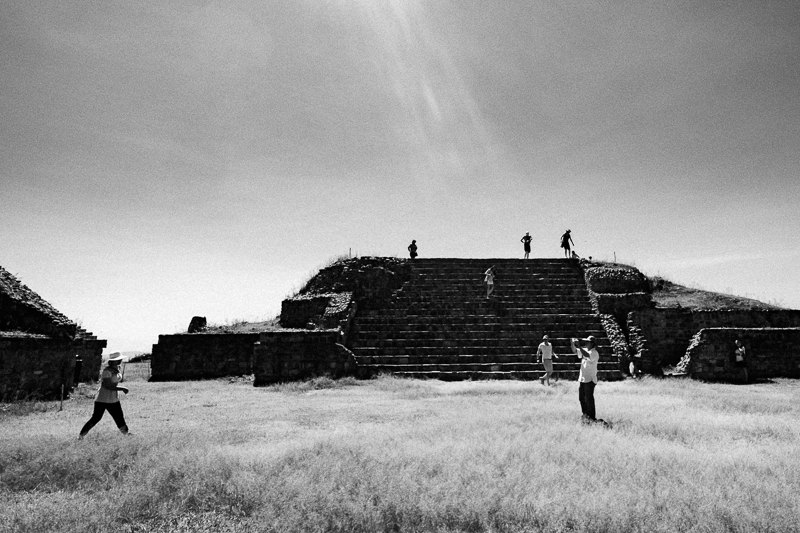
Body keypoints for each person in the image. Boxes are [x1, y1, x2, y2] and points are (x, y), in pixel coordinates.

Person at [78, 354, 130, 439]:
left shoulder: (117, 369)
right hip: (102, 399)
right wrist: (122, 388)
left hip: (113, 399)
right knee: (96, 418)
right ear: (113, 361)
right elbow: (107, 386)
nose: (120, 361)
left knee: (119, 417)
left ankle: (126, 434)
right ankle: (81, 435)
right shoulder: (107, 371)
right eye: (118, 359)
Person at [571, 335, 606, 425]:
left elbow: (586, 355)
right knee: (581, 398)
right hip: (583, 378)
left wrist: (579, 346)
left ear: (592, 344)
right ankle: (585, 415)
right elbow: (575, 351)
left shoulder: (594, 353)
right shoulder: (585, 350)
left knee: (589, 399)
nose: (586, 343)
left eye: (587, 342)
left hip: (590, 379)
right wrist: (572, 343)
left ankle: (591, 417)